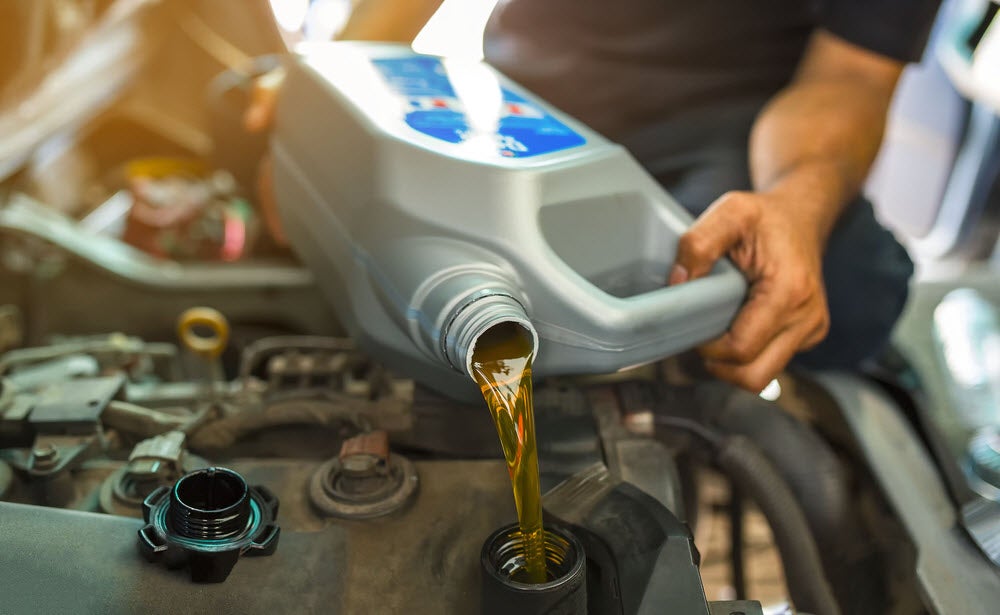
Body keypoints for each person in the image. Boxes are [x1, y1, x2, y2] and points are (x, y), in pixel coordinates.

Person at [249, 0, 941, 392]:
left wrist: (797, 202)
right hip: (526, 94)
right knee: (241, 110)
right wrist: (318, 93)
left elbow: (851, 75)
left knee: (840, 287)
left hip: (737, 116)